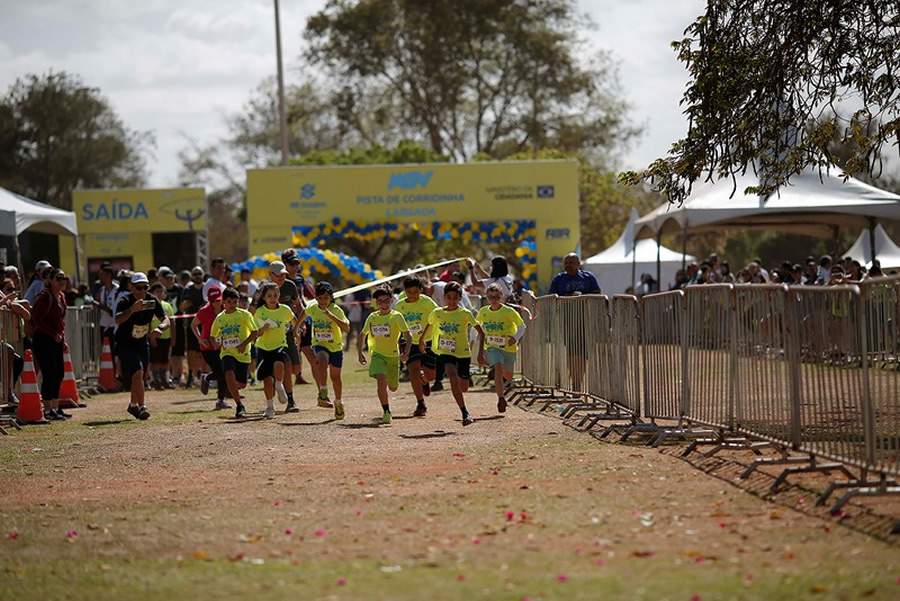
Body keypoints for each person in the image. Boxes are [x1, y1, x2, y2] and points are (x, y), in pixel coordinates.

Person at [420, 281, 483, 426]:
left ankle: (424, 380)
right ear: (444, 297)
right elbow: (428, 325)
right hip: (444, 351)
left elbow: (481, 332)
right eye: (449, 297)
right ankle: (465, 413)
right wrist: (422, 340)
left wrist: (480, 353)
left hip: (463, 353)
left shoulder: (465, 313)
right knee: (452, 376)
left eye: (455, 298)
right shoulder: (437, 313)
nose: (452, 301)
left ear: (460, 298)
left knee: (464, 387)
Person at [115, 272, 168, 420]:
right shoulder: (125, 300)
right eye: (138, 288)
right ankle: (142, 406)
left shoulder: (152, 300)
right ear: (131, 287)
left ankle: (133, 406)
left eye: (145, 287)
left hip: (141, 342)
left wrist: (160, 328)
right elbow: (117, 319)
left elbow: (166, 319)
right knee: (137, 372)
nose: (142, 291)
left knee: (140, 376)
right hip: (125, 343)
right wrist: (132, 310)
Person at [357, 287, 411, 425]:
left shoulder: (397, 316)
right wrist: (360, 353)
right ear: (376, 303)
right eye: (380, 301)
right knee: (381, 381)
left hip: (393, 356)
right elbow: (363, 334)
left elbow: (408, 335)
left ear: (391, 300)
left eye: (386, 301)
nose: (383, 304)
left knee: (393, 387)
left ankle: (389, 393)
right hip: (377, 355)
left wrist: (406, 352)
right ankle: (386, 411)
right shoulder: (372, 317)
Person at [476, 283, 526, 413]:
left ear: (501, 297)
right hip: (492, 347)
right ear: (486, 297)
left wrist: (514, 338)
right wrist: (473, 342)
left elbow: (522, 326)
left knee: (508, 375)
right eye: (491, 297)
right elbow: (476, 327)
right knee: (498, 368)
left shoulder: (508, 311)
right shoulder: (483, 312)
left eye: (496, 297)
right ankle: (501, 398)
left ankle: (504, 386)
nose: (493, 300)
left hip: (508, 348)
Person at [258, 260, 301, 412]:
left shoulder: (290, 286)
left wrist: (300, 325)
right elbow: (252, 311)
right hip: (266, 339)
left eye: (283, 274)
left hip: (286, 333)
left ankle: (290, 399)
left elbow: (298, 305)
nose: (282, 277)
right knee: (274, 371)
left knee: (291, 367)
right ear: (271, 275)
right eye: (278, 275)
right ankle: (281, 401)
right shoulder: (262, 289)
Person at [210, 288, 259, 419]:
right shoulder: (220, 318)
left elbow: (255, 332)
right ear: (223, 302)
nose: (232, 304)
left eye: (235, 301)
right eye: (229, 301)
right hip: (227, 352)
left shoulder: (245, 315)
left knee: (241, 384)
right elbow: (213, 335)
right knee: (229, 373)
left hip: (243, 354)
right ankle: (239, 405)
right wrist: (216, 343)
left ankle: (215, 379)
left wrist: (244, 344)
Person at [304, 282, 350, 420]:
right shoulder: (313, 308)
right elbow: (303, 313)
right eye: (320, 298)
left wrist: (330, 315)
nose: (323, 301)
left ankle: (338, 402)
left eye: (326, 298)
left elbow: (346, 328)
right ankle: (323, 390)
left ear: (330, 298)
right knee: (322, 360)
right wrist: (296, 329)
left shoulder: (336, 309)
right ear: (316, 298)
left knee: (336, 377)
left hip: (335, 347)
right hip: (319, 343)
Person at [394, 276, 439, 416]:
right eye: (409, 292)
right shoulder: (400, 306)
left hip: (428, 340)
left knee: (431, 375)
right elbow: (396, 325)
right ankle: (420, 403)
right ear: (404, 291)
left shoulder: (427, 302)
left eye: (415, 291)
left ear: (421, 290)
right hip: (409, 342)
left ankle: (424, 381)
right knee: (413, 370)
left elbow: (437, 316)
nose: (413, 295)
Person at [30, 268, 69, 420]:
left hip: (56, 340)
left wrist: (62, 339)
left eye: (63, 278)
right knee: (49, 373)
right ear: (50, 281)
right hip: (43, 340)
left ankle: (55, 407)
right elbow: (36, 320)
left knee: (59, 372)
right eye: (58, 278)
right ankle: (47, 410)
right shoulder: (44, 297)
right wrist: (54, 334)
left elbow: (61, 322)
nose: (62, 282)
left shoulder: (61, 297)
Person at [253, 281, 295, 418]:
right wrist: (263, 329)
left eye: (275, 295)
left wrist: (299, 330)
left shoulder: (285, 310)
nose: (273, 298)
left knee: (279, 363)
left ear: (279, 296)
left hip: (280, 345)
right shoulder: (260, 312)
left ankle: (279, 385)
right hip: (264, 347)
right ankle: (270, 407)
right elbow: (256, 333)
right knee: (266, 380)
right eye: (269, 295)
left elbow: (294, 320)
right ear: (264, 297)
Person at [192, 287, 229, 409]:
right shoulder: (204, 311)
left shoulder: (226, 310)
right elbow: (194, 325)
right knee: (221, 372)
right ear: (209, 301)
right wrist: (199, 339)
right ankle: (220, 399)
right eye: (213, 301)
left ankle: (219, 398)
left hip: (222, 345)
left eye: (218, 300)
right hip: (207, 347)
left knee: (224, 372)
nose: (216, 303)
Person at [181, 266, 206, 388]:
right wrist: (187, 304)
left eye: (199, 273)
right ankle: (191, 375)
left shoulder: (207, 288)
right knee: (191, 351)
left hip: (205, 325)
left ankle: (203, 375)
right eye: (195, 274)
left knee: (204, 350)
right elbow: (181, 307)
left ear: (203, 275)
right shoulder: (188, 289)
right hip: (192, 325)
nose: (197, 276)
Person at [148, 282, 175, 389]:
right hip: (155, 337)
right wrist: (151, 337)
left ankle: (165, 379)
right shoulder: (150, 305)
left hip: (166, 337)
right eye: (157, 292)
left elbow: (172, 322)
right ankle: (156, 380)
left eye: (161, 291)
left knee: (165, 359)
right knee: (155, 360)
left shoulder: (167, 305)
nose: (159, 293)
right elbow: (148, 322)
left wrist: (173, 337)